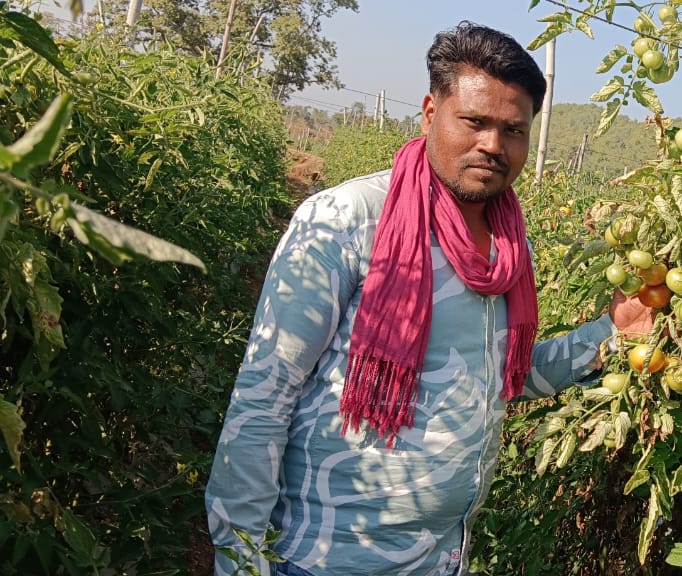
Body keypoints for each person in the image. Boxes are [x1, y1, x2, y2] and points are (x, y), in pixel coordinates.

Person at [206, 22, 652, 576]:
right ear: (429, 112)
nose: (493, 145)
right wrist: (241, 559)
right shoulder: (346, 221)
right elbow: (263, 400)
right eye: (475, 121)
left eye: (513, 130)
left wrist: (611, 332)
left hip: (442, 557)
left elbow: (501, 377)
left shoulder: (510, 248)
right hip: (325, 557)